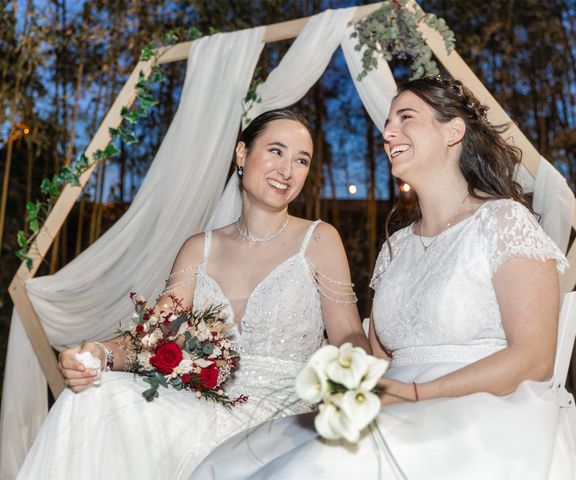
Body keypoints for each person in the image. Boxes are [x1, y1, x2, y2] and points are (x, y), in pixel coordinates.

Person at [192, 77, 576, 479]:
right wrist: (346, 390)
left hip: (480, 407)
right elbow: (378, 358)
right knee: (233, 459)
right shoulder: (396, 248)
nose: (387, 132)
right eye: (388, 122)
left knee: (323, 466)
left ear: (453, 131)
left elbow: (535, 359)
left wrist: (416, 394)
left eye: (406, 117)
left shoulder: (504, 221)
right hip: (391, 402)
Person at [17, 109, 370, 480]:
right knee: (95, 397)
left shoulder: (318, 239)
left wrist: (352, 389)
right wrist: (99, 352)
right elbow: (154, 337)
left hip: (287, 412)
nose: (288, 170)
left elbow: (348, 334)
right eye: (276, 151)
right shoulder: (198, 249)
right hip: (205, 405)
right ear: (242, 154)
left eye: (302, 160)